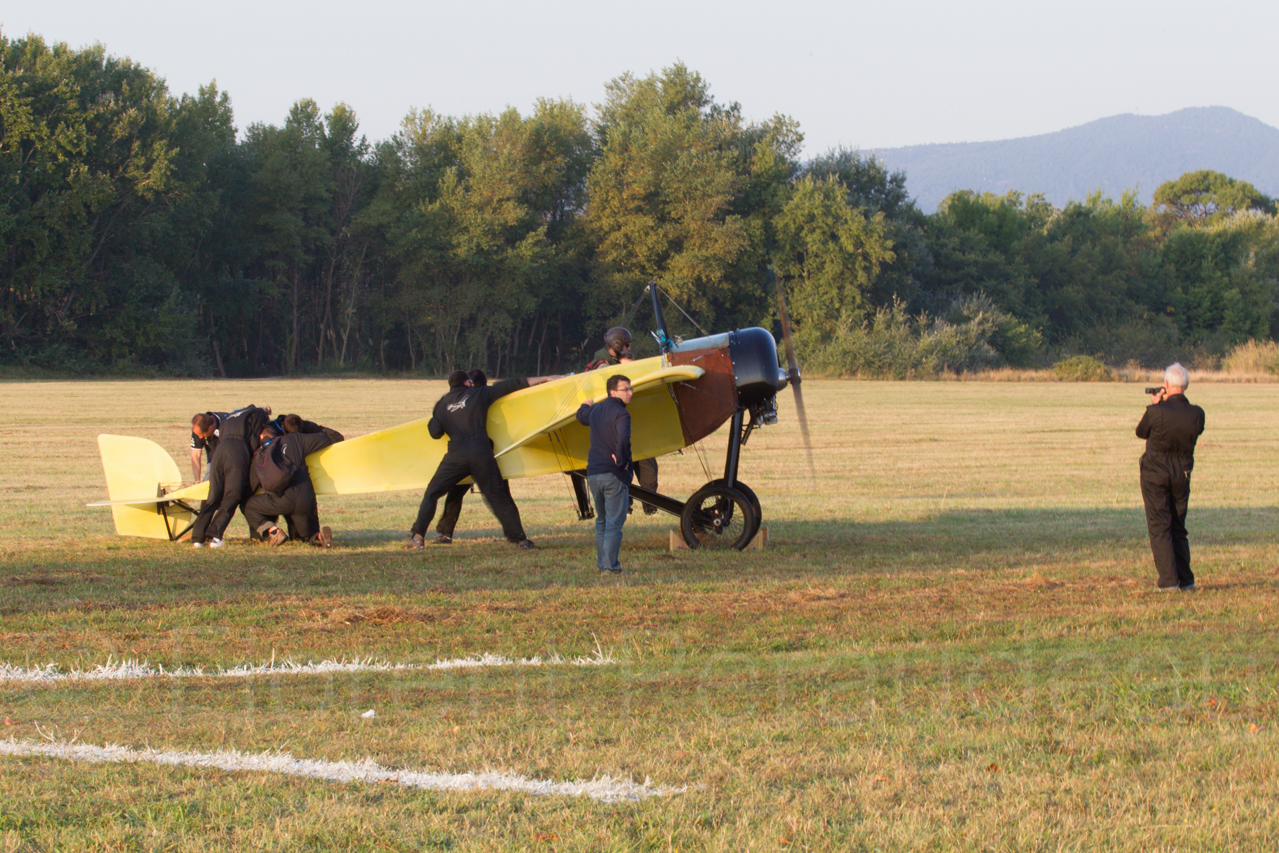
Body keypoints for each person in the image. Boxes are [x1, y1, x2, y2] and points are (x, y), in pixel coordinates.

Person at [406, 369, 561, 550]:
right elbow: (511, 384)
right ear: (467, 383)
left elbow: (435, 432)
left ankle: (418, 538)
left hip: (456, 456)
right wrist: (544, 378)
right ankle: (521, 541)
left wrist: (438, 415)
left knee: (432, 493)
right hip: (481, 453)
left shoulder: (442, 404)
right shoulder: (478, 394)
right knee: (499, 497)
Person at [1136, 362, 1205, 592]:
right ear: (1186, 385)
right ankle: (1186, 581)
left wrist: (1156, 404)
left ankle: (1167, 582)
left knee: (1160, 525)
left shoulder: (1156, 412)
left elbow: (1141, 432)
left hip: (1155, 473)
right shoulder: (1197, 414)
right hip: (1182, 474)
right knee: (1178, 526)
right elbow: (1194, 429)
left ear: (1166, 385)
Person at [577, 326, 659, 514]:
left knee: (647, 465)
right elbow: (613, 382)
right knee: (630, 464)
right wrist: (627, 366)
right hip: (612, 425)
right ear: (617, 345)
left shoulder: (612, 362)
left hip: (624, 423)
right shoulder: (603, 366)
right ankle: (630, 507)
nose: (629, 349)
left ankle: (649, 508)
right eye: (627, 345)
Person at [431, 371, 502, 545]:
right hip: (489, 453)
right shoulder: (486, 397)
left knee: (455, 493)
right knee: (501, 495)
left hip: (464, 454)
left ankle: (446, 533)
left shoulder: (463, 401)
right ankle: (517, 534)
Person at [243, 421, 340, 547]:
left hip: (281, 501)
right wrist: (306, 425)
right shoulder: (294, 439)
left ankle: (274, 532)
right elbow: (332, 438)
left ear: (261, 437)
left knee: (248, 506)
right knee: (306, 536)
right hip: (306, 498)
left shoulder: (259, 455)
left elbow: (252, 485)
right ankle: (319, 537)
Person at [576, 374, 634, 574]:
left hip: (593, 474)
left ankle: (603, 565)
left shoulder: (596, 410)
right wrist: (622, 461)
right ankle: (611, 567)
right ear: (613, 392)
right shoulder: (622, 414)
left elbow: (581, 416)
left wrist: (585, 405)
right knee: (613, 523)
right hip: (613, 475)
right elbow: (624, 440)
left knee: (601, 521)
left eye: (630, 388)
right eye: (625, 389)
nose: (630, 393)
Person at [191, 405, 272, 548]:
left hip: (220, 451)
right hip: (237, 451)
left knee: (214, 496)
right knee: (232, 496)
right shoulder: (258, 414)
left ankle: (198, 537)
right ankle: (216, 535)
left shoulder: (232, 415)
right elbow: (254, 439)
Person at [190, 411, 230, 482]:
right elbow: (195, 455)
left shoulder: (227, 423)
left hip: (230, 459)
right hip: (213, 460)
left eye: (201, 435)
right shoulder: (198, 428)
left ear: (210, 428)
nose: (199, 437)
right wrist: (197, 480)